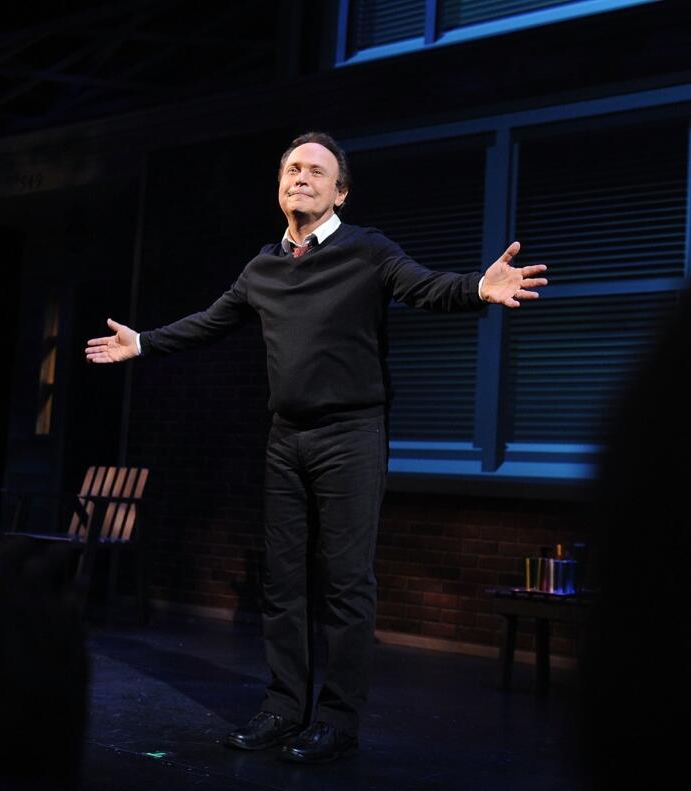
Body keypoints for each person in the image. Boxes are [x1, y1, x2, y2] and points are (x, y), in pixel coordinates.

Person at [86, 131, 547, 764]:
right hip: (285, 439)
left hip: (351, 435)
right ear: (280, 187)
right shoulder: (263, 268)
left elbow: (422, 286)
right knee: (284, 583)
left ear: (340, 191)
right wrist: (144, 342)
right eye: (292, 169)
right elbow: (211, 321)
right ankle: (281, 709)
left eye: (315, 171)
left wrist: (476, 289)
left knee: (346, 584)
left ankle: (337, 720)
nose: (300, 177)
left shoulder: (368, 251)